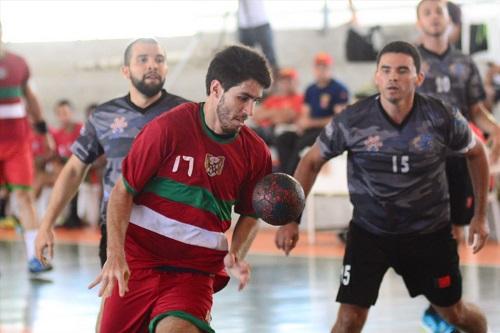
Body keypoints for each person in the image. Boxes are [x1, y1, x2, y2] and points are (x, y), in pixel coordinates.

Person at [275, 41, 490, 333]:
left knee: (455, 313)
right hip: (370, 234)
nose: (393, 77)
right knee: (349, 319)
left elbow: (477, 153)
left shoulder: (442, 117)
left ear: (418, 78)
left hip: (430, 234)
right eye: (386, 70)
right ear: (376, 76)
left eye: (403, 71)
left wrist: (478, 217)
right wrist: (291, 218)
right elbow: (311, 162)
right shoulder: (352, 120)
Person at [88, 45, 272, 333]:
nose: (249, 110)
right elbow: (123, 193)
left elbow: (250, 214)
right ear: (216, 88)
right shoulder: (168, 129)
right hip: (138, 262)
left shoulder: (255, 152)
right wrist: (115, 255)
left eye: (255, 101)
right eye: (243, 98)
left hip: (194, 271)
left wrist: (236, 253)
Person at [35, 37, 187, 267]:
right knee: (114, 301)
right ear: (125, 71)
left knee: (177, 303)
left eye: (159, 60)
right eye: (143, 59)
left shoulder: (187, 115)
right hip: (118, 232)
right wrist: (46, 224)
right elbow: (74, 171)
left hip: (173, 231)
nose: (152, 65)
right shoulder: (103, 116)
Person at [416, 2, 500, 330]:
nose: (435, 17)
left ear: (451, 20)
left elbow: (477, 108)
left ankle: (444, 305)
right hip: (421, 162)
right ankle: (436, 299)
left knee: (453, 232)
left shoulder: (465, 63)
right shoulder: (408, 60)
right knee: (425, 232)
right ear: (419, 20)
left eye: (440, 11)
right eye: (428, 12)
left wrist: (495, 128)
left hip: (458, 159)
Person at [0, 21, 53, 273]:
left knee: (24, 197)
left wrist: (43, 131)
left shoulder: (17, 63)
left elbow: (30, 97)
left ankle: (35, 256)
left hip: (16, 144)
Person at [276, 52, 349, 175]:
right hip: (311, 130)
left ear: (330, 69)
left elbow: (339, 119)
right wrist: (301, 124)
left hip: (329, 131)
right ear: (314, 69)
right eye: (318, 67)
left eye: (324, 67)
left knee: (301, 143)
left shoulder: (339, 89)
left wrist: (311, 123)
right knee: (283, 139)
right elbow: (306, 113)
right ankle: (284, 175)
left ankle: (292, 179)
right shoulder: (311, 89)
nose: (321, 71)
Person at [251, 67, 303, 164]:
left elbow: (289, 116)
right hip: (265, 131)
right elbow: (256, 115)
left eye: (289, 80)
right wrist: (277, 112)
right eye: (283, 80)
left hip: (284, 132)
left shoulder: (299, 98)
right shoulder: (273, 99)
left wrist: (269, 114)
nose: (285, 83)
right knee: (248, 133)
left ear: (296, 82)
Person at [51, 99, 84, 228]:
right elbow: (54, 156)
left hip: (83, 170)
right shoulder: (56, 134)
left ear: (72, 113)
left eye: (65, 112)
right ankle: (60, 215)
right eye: (60, 113)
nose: (63, 116)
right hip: (65, 172)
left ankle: (73, 214)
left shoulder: (81, 129)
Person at [237, 0, 278, 71]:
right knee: (245, 60)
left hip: (261, 22)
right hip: (244, 25)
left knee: (270, 57)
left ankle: (274, 79)